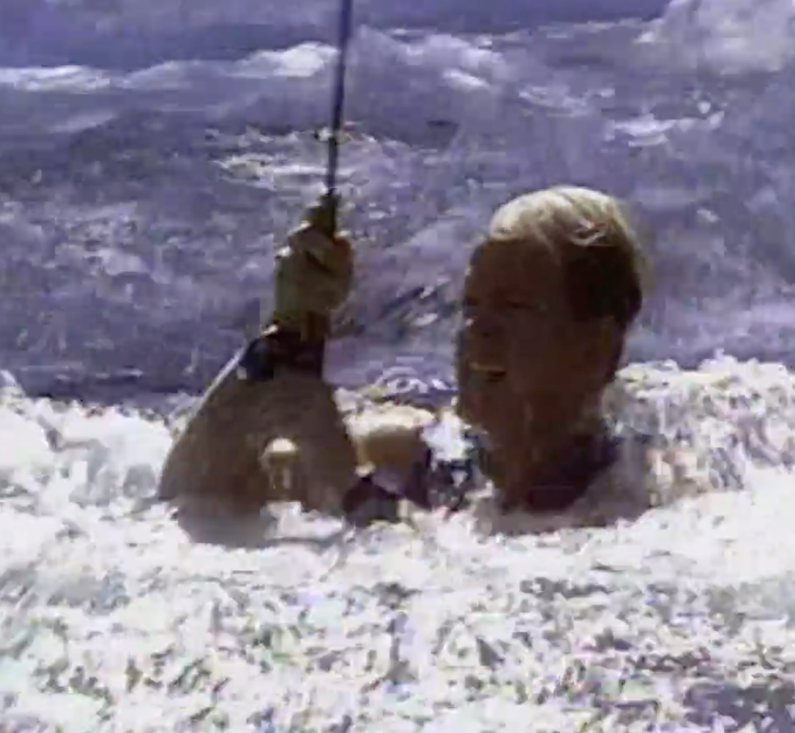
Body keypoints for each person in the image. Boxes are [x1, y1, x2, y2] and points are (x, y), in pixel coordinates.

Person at [158, 185, 657, 532]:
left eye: (513, 308)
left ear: (596, 349)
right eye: (472, 307)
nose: (476, 331)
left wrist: (348, 488)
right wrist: (284, 331)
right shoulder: (409, 452)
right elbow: (195, 493)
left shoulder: (633, 497)